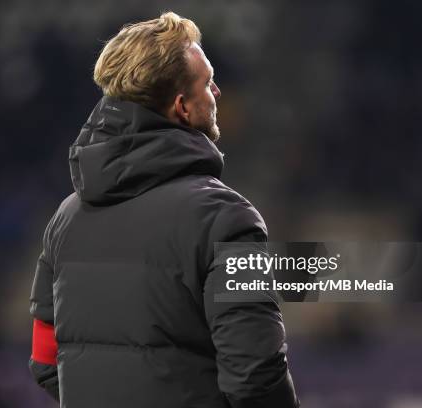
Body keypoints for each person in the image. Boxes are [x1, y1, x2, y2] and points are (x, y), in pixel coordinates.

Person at [29, 12, 299, 408]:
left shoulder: (64, 220)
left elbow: (45, 361)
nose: (218, 92)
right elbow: (255, 376)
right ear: (182, 107)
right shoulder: (226, 219)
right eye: (207, 83)